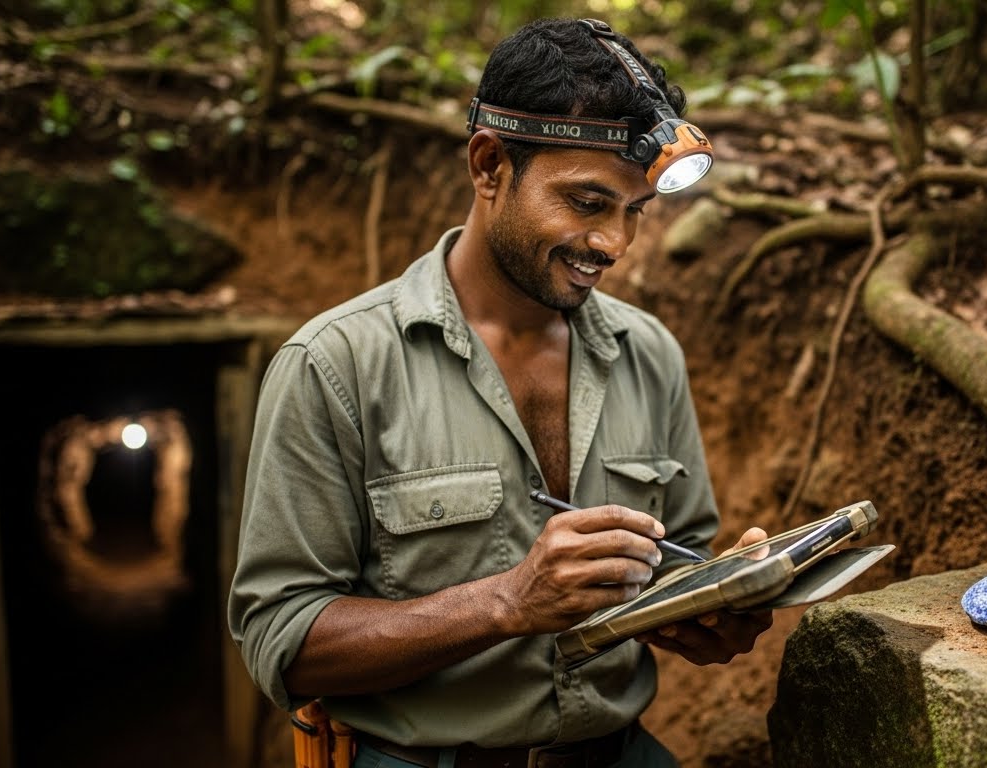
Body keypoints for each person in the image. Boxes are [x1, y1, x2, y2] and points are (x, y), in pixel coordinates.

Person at [228, 17, 772, 768]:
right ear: (489, 167)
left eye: (633, 212)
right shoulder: (337, 365)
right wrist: (506, 603)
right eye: (586, 203)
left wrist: (708, 603)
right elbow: (281, 642)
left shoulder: (647, 353)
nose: (614, 244)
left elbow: (677, 560)